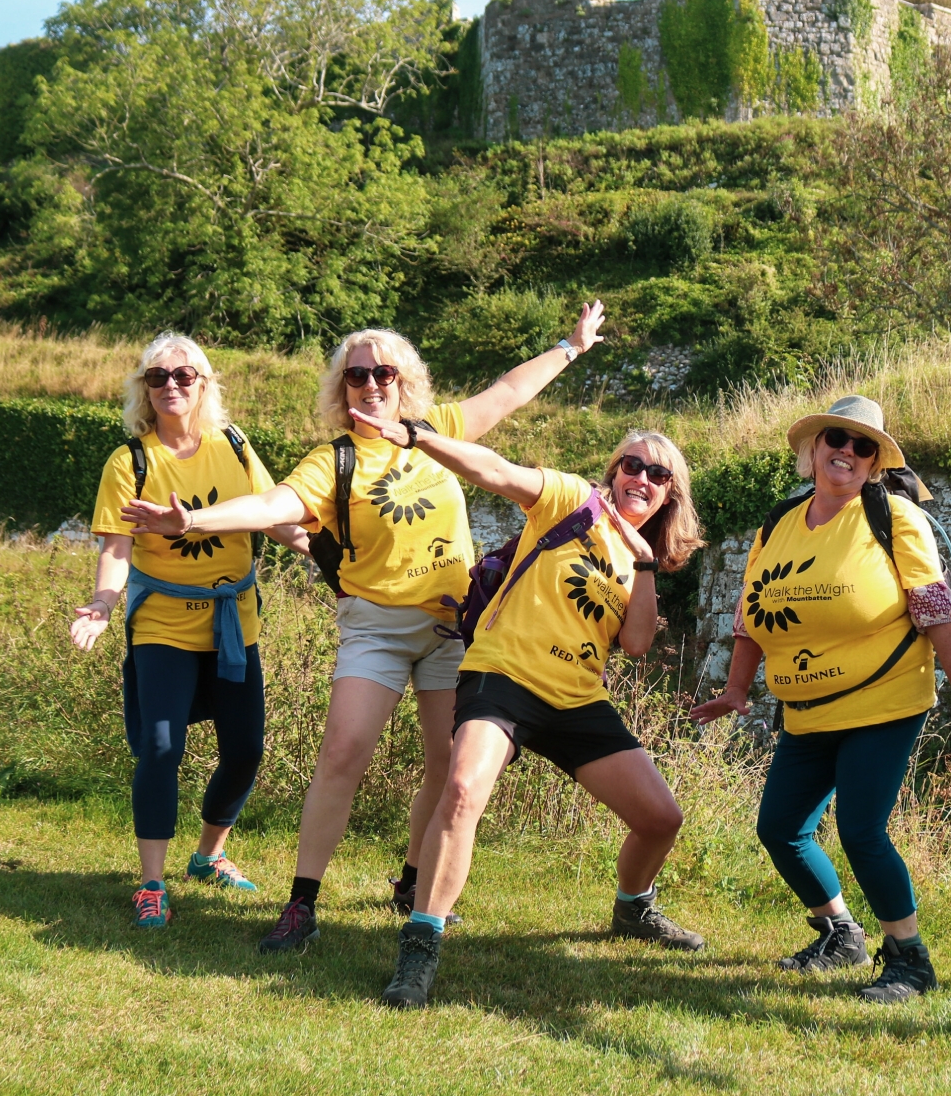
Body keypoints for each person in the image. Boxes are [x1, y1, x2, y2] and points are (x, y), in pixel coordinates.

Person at [122, 305, 610, 952]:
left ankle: (412, 880)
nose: (371, 384)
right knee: (342, 753)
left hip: (450, 628)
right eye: (357, 375)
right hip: (375, 628)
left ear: (406, 380)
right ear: (342, 387)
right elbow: (273, 505)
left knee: (446, 759)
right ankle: (302, 902)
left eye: (383, 371)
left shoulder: (441, 429)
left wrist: (571, 347)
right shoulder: (335, 460)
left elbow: (509, 390)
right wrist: (193, 523)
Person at [351, 418, 706, 1009]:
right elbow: (493, 470)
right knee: (462, 790)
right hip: (502, 677)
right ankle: (420, 948)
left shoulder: (636, 559)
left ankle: (633, 908)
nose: (641, 478)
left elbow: (638, 643)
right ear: (613, 473)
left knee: (661, 819)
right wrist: (418, 436)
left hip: (576, 698)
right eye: (631, 466)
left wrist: (644, 565)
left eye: (658, 474)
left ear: (670, 494)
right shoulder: (571, 499)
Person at [690, 395, 951, 1003]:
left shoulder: (893, 517)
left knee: (860, 829)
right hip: (805, 710)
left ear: (876, 462)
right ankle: (839, 932)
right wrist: (736, 689)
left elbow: (934, 604)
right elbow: (753, 616)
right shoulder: (775, 526)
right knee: (779, 828)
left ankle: (909, 959)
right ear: (813, 448)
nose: (847, 453)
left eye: (863, 447)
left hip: (884, 702)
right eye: (838, 439)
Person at [71, 334, 310, 928]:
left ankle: (209, 855)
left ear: (204, 385)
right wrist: (103, 603)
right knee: (159, 748)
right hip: (163, 626)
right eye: (157, 378)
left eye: (183, 375)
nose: (171, 385)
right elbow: (116, 547)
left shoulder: (234, 444)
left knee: (246, 749)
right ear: (143, 391)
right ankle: (151, 883)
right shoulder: (131, 462)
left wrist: (327, 557)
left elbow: (271, 513)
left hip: (235, 624)